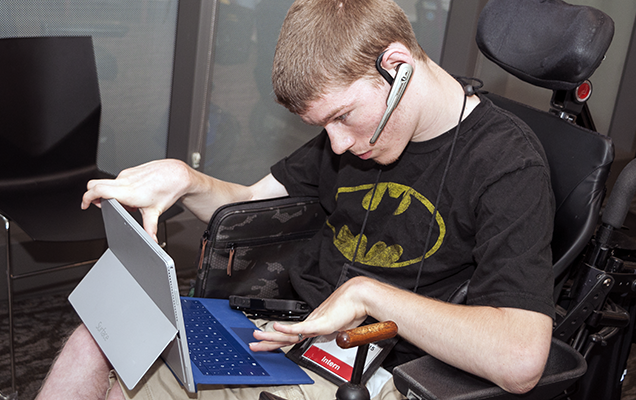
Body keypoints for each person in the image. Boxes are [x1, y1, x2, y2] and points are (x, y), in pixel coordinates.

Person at [37, 0, 556, 398]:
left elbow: (521, 357)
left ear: (396, 66)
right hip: (280, 328)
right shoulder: (356, 133)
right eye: (323, 124)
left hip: (366, 364)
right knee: (93, 338)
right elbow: (248, 205)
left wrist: (367, 294)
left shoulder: (507, 163)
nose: (337, 145)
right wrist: (187, 179)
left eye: (342, 116)